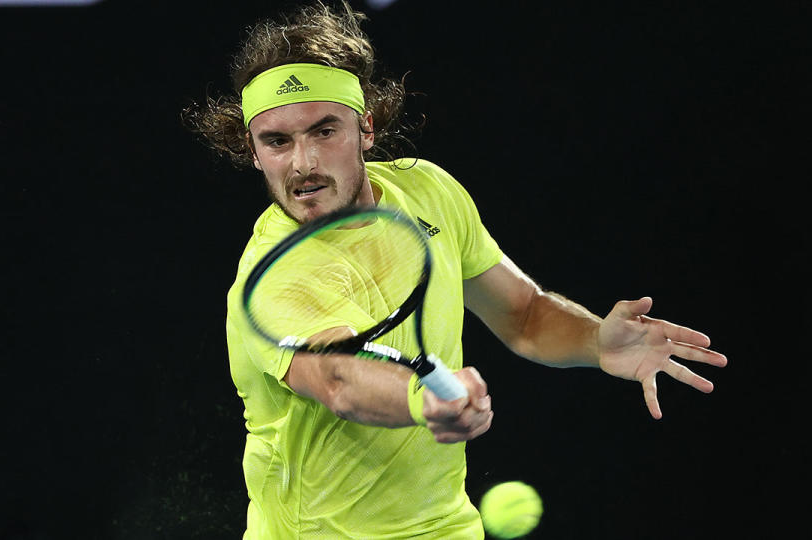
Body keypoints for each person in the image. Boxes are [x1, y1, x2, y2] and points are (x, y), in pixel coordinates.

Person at [184, 2, 727, 538]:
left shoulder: (428, 191)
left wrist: (594, 340)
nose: (303, 163)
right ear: (253, 153)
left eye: (324, 131)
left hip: (445, 527)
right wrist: (424, 399)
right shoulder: (275, 274)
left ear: (365, 128)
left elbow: (524, 314)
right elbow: (339, 378)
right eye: (277, 142)